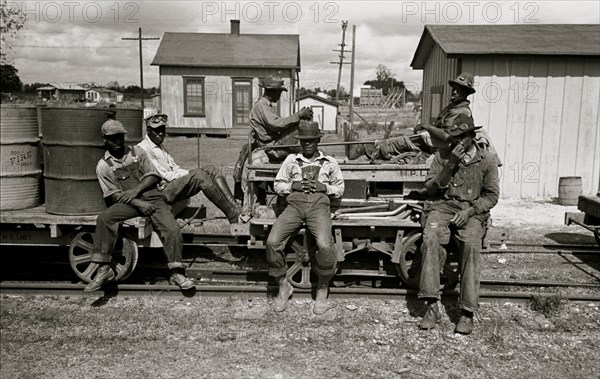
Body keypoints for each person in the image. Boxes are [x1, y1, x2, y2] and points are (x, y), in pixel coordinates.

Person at [84, 120, 194, 292]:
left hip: (154, 198)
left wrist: (135, 192)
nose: (118, 142)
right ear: (104, 140)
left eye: (121, 137)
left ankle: (177, 272)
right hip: (130, 203)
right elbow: (113, 195)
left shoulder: (137, 152)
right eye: (113, 138)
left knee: (171, 228)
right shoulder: (103, 166)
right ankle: (104, 268)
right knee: (105, 218)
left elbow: (154, 176)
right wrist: (138, 203)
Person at [417, 113, 500, 335]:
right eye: (454, 137)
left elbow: (491, 197)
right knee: (430, 239)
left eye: (462, 137)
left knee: (471, 244)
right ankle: (431, 306)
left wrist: (470, 211)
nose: (457, 141)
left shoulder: (488, 160)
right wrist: (451, 163)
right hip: (444, 207)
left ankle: (467, 313)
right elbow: (432, 188)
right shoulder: (442, 157)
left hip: (472, 210)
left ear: (472, 136)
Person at [266, 121, 344, 314]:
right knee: (272, 242)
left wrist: (324, 187)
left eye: (311, 141)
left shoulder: (329, 162)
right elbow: (277, 184)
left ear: (318, 141)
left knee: (325, 245)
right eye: (304, 141)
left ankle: (322, 290)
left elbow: (340, 188)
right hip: (294, 205)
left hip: (319, 206)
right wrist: (293, 186)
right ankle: (284, 286)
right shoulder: (292, 161)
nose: (307, 144)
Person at [346, 72, 501, 166]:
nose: (454, 92)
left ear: (466, 93)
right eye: (453, 88)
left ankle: (363, 150)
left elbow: (447, 136)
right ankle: (364, 150)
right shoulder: (452, 107)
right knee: (399, 140)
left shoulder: (462, 112)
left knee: (397, 143)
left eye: (458, 90)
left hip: (440, 147)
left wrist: (426, 126)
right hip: (432, 142)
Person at [137, 113, 241, 223]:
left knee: (211, 169)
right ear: (148, 130)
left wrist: (190, 172)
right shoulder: (144, 149)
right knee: (200, 176)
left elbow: (174, 167)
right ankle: (232, 215)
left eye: (163, 129)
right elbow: (165, 176)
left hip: (171, 186)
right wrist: (191, 173)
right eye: (156, 130)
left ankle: (235, 207)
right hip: (161, 193)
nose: (161, 133)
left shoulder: (159, 146)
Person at [233, 75, 313, 200]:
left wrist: (298, 117)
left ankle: (308, 153)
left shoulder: (265, 106)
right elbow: (276, 124)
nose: (280, 96)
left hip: (273, 144)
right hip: (272, 148)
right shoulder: (262, 106)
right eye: (280, 92)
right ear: (273, 92)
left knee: (300, 124)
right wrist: (299, 115)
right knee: (301, 125)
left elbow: (277, 124)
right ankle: (310, 155)